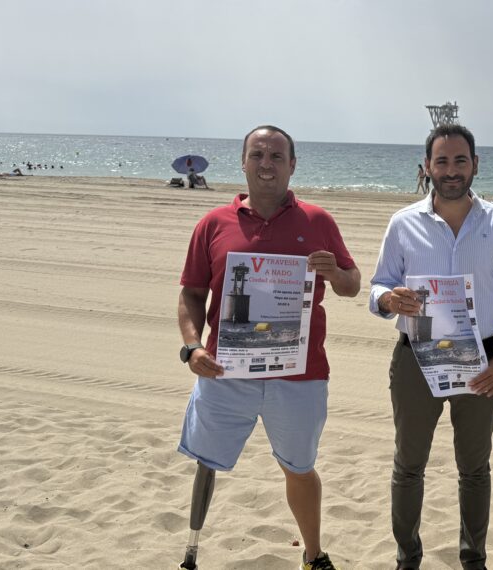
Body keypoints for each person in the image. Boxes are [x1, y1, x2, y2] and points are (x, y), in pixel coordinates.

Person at [175, 125, 360, 570]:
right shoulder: (213, 224)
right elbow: (192, 293)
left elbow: (353, 285)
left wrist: (334, 273)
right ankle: (191, 551)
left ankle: (314, 555)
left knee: (299, 467)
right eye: (257, 154)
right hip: (225, 369)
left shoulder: (318, 220)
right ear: (242, 162)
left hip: (300, 373)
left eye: (277, 156)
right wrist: (192, 348)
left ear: (292, 165)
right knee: (206, 460)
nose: (266, 164)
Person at [369, 124, 493, 570]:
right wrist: (386, 298)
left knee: (475, 468)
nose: (452, 170)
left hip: (482, 359)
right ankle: (408, 557)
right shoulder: (403, 223)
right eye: (442, 161)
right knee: (408, 465)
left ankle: (473, 558)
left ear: (476, 164)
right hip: (415, 356)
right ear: (427, 168)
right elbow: (379, 284)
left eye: (461, 160)